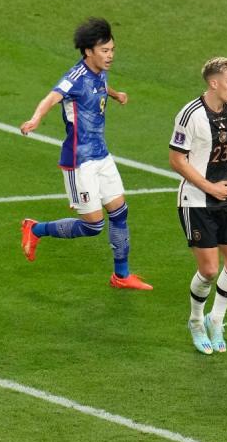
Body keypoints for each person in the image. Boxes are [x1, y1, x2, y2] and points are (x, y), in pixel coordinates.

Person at [19, 17, 152, 290]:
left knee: (119, 212)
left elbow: (101, 86)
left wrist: (116, 95)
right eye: (105, 51)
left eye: (112, 50)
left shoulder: (101, 71)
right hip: (79, 162)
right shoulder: (74, 78)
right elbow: (51, 97)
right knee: (93, 227)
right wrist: (35, 120)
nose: (110, 55)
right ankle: (35, 229)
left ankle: (121, 275)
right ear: (88, 51)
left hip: (101, 155)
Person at [169, 57, 227, 355]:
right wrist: (209, 187)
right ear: (213, 83)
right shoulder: (190, 115)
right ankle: (195, 321)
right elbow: (176, 159)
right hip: (196, 201)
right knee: (210, 270)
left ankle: (217, 320)